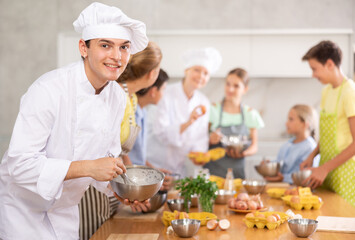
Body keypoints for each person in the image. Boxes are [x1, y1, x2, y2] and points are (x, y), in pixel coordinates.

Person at [0, 2, 150, 239]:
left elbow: (108, 157)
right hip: (22, 213)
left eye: (124, 47)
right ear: (83, 47)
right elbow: (19, 164)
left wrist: (116, 189)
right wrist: (89, 167)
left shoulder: (117, 97)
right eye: (105, 45)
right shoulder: (48, 89)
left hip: (65, 212)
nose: (116, 56)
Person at [79, 41, 163, 240]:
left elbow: (119, 151)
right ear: (152, 73)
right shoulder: (113, 94)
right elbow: (96, 148)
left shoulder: (131, 98)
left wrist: (133, 184)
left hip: (111, 184)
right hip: (90, 185)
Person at [146, 47, 222, 177]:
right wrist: (188, 123)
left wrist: (198, 154)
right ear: (186, 70)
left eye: (205, 73)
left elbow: (200, 138)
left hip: (178, 170)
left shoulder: (203, 102)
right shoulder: (165, 93)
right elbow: (161, 133)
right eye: (197, 70)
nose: (200, 76)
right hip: (153, 165)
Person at [300, 40, 355, 207]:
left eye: (314, 69)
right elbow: (326, 135)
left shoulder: (349, 92)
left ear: (330, 64)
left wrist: (324, 168)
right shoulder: (327, 91)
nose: (313, 74)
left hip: (346, 171)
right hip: (327, 168)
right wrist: (313, 155)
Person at [205, 68, 264, 178]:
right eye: (228, 84)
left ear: (245, 89)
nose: (230, 89)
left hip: (237, 175)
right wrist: (210, 140)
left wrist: (243, 153)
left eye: (236, 86)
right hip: (212, 175)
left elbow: (254, 146)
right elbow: (199, 143)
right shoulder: (212, 110)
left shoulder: (250, 114)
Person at [128, 69, 173, 192]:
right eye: (163, 89)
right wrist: (138, 183)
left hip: (135, 177)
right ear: (153, 91)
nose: (163, 95)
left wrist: (153, 171)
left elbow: (138, 154)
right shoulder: (131, 111)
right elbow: (125, 154)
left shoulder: (143, 112)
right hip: (128, 180)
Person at [263, 105, 319, 184]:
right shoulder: (287, 144)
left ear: (305, 124)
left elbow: (306, 176)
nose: (286, 123)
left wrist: (283, 178)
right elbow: (282, 165)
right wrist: (270, 165)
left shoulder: (310, 147)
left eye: (291, 119)